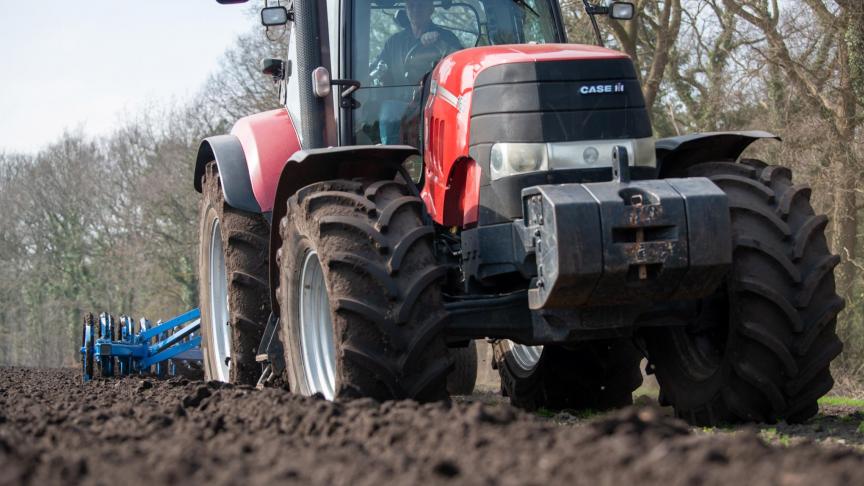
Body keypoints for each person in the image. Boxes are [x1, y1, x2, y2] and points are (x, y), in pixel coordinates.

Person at [372, 0, 462, 144]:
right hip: (400, 107)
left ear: (431, 9)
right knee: (387, 111)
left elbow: (459, 65)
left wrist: (440, 43)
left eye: (421, 5)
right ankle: (390, 151)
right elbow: (377, 69)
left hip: (433, 104)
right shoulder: (394, 42)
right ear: (406, 9)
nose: (415, 9)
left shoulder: (446, 37)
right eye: (411, 5)